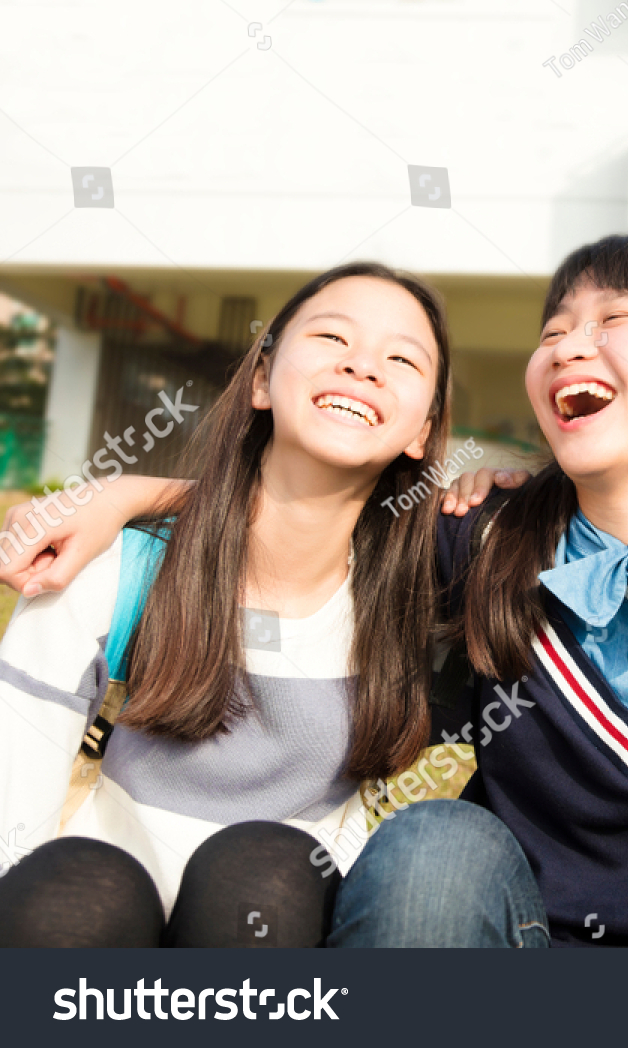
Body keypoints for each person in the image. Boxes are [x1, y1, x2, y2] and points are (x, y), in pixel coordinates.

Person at [1, 236, 628, 948]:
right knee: (435, 843)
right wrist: (130, 492)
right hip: (509, 941)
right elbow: (308, 515)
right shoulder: (481, 542)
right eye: (555, 331)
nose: (571, 346)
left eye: (613, 321)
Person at [0, 262, 453, 946]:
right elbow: (12, 810)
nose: (362, 366)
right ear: (263, 380)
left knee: (260, 871)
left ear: (422, 429)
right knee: (76, 888)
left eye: (401, 359)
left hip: (281, 944)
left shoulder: (418, 602)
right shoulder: (106, 569)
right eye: (331, 337)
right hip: (96, 930)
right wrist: (126, 494)